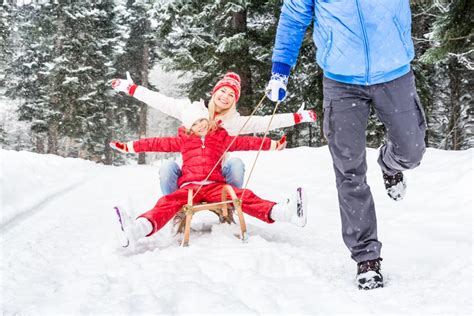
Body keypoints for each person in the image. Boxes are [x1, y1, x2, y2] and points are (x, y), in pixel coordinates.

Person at [266, 0, 426, 290]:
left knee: (411, 151)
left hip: (394, 73)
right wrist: (280, 70)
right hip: (341, 82)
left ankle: (389, 164)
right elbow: (293, 17)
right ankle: (366, 257)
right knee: (349, 169)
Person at [110, 105, 308, 249]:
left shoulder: (221, 138)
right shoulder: (183, 140)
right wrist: (129, 146)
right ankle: (136, 230)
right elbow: (155, 143)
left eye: (202, 120)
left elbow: (245, 142)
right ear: (189, 127)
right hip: (189, 187)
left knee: (243, 196)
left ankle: (287, 214)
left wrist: (273, 144)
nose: (200, 125)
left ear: (207, 118)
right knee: (167, 202)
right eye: (195, 123)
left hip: (216, 186)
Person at [111, 71, 316, 195]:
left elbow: (265, 122)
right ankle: (175, 208)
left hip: (218, 174)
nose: (226, 97)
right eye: (223, 91)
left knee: (235, 163)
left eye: (231, 95)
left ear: (234, 101)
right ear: (215, 92)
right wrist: (131, 89)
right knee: (166, 167)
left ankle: (230, 204)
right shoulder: (190, 110)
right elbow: (160, 100)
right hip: (189, 172)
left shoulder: (233, 123)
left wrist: (298, 117)